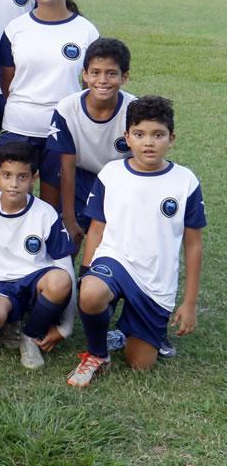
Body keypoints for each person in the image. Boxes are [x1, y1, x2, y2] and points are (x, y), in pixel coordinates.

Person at [68, 96, 205, 386]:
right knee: (92, 293)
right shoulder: (112, 174)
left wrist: (189, 303)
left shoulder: (185, 181)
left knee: (140, 364)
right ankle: (97, 353)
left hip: (155, 280)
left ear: (172, 138)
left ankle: (130, 330)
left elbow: (193, 244)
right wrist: (85, 272)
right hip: (115, 259)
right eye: (140, 134)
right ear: (127, 138)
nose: (149, 143)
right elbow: (96, 228)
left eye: (158, 135)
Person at [0, 142, 76, 369]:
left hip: (36, 282)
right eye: (7, 175)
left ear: (34, 178)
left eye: (22, 177)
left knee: (60, 279)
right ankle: (9, 322)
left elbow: (66, 268)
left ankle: (29, 335)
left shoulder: (46, 213)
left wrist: (67, 326)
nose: (14, 184)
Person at [0, 0, 100, 174]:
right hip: (18, 128)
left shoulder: (86, 31)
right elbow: (7, 82)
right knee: (9, 204)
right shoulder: (15, 29)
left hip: (63, 130)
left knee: (54, 206)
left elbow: (90, 88)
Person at [43, 37, 135, 243]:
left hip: (117, 182)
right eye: (95, 72)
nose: (102, 80)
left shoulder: (134, 110)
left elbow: (139, 165)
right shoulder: (67, 108)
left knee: (112, 241)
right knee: (70, 240)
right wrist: (68, 217)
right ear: (85, 74)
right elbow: (67, 168)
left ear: (125, 77)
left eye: (111, 73)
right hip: (79, 179)